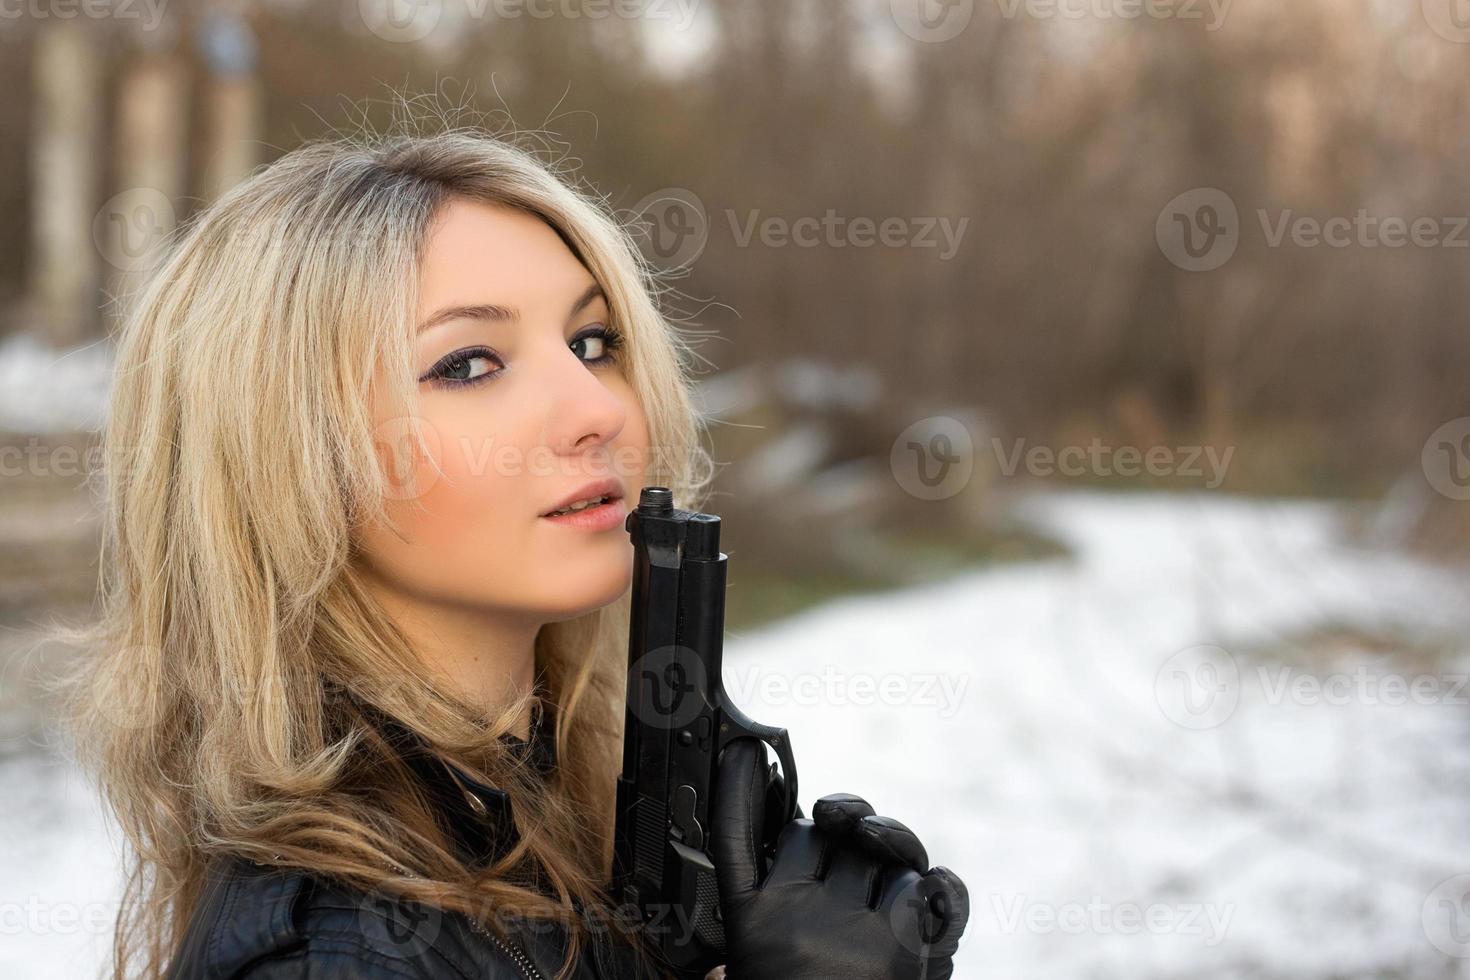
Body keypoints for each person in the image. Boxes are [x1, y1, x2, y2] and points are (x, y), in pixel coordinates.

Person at [59, 117, 970, 979]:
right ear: (283, 458)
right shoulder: (340, 959)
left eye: (592, 340)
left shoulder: (546, 825)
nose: (599, 409)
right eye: (469, 364)